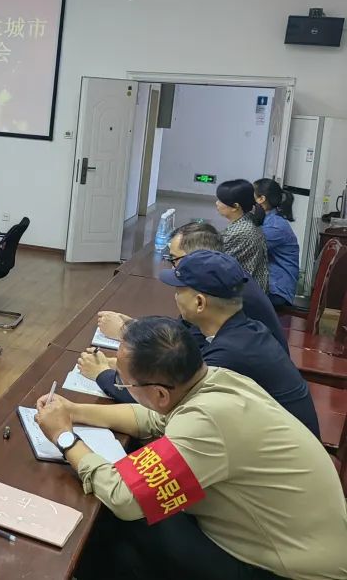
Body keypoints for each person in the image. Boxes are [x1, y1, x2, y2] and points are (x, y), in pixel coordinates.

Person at [35, 317, 347, 580]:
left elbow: (124, 496)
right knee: (124, 542)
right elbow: (152, 418)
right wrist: (73, 411)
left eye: (125, 385)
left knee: (114, 517)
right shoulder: (218, 380)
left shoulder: (206, 423)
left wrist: (64, 438)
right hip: (294, 544)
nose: (123, 388)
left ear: (160, 393)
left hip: (284, 572)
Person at [79, 250, 320, 439]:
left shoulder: (227, 358)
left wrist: (103, 374)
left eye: (179, 290)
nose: (174, 296)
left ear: (200, 303)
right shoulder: (240, 331)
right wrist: (117, 363)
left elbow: (163, 406)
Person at [97, 221, 287, 349]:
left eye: (174, 259)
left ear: (196, 257)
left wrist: (126, 333)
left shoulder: (222, 289)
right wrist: (137, 325)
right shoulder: (220, 275)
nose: (172, 266)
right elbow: (184, 327)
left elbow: (186, 348)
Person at [254, 177, 301, 312]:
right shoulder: (269, 220)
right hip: (272, 286)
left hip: (276, 291)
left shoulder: (275, 226)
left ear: (261, 199)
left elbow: (248, 248)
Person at [215, 178, 269, 291]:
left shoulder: (240, 231)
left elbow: (214, 262)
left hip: (244, 294)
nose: (217, 203)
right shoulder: (248, 220)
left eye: (221, 200)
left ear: (235, 206)